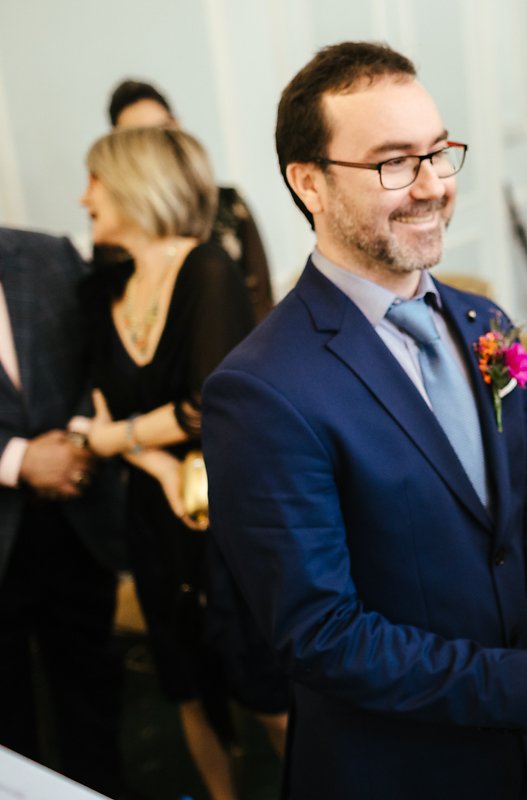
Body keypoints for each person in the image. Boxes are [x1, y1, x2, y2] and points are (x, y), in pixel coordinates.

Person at [200, 41, 527, 800]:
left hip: (509, 755)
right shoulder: (260, 389)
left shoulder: (486, 326)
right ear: (309, 183)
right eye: (394, 163)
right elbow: (322, 637)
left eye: (440, 152)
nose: (434, 185)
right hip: (387, 768)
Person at [78, 126, 287, 800]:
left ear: (136, 187)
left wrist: (118, 442)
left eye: (96, 183)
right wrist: (160, 465)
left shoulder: (206, 268)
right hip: (155, 511)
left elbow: (207, 404)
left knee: (261, 679)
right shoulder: (103, 288)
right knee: (185, 683)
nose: (83, 199)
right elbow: (100, 407)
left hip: (224, 512)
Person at [0, 227, 129, 797]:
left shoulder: (48, 253)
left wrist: (78, 440)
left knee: (92, 695)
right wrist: (19, 458)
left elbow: (101, 354)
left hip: (78, 517)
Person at [102, 79, 276, 323]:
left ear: (178, 126)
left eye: (164, 129)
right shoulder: (117, 227)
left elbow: (262, 300)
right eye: (140, 138)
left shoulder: (228, 205)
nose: (159, 145)